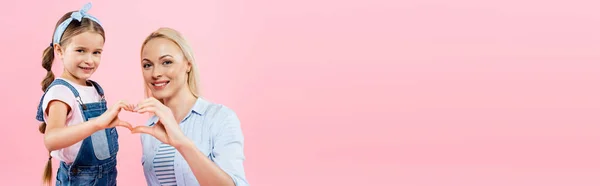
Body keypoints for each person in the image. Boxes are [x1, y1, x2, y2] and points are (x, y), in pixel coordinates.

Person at [132, 27, 250, 186]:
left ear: (188, 64)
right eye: (147, 65)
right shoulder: (150, 128)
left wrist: (181, 143)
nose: (155, 73)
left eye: (167, 62)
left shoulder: (220, 118)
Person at [35, 3, 131, 186]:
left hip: (108, 173)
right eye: (80, 51)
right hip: (81, 179)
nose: (89, 60)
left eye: (96, 52)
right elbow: (51, 140)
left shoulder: (94, 88)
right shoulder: (61, 92)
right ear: (59, 50)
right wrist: (97, 124)